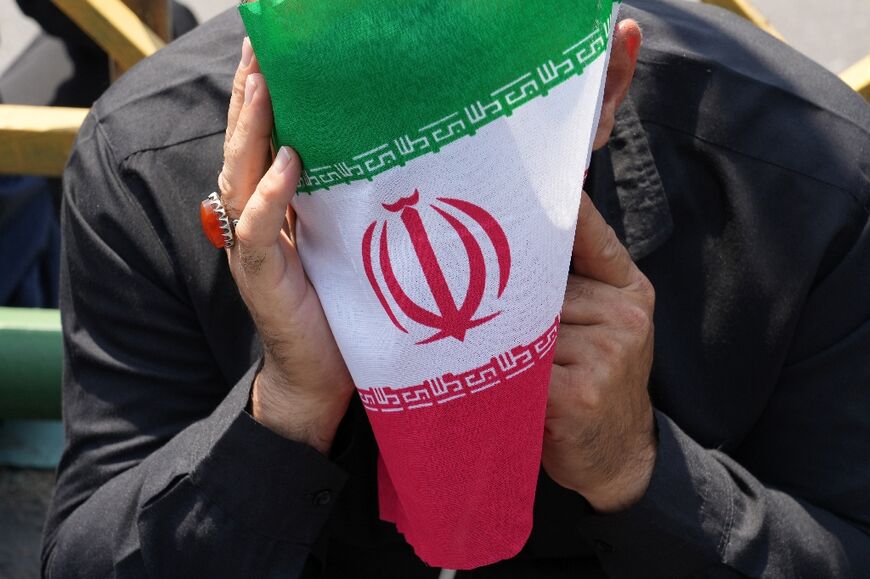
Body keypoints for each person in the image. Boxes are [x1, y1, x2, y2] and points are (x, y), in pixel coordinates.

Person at [42, 0, 870, 577]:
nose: (415, 176)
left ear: (609, 79)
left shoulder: (799, 184)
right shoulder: (148, 161)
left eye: (482, 122)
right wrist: (284, 410)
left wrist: (640, 470)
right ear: (265, 69)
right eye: (360, 106)